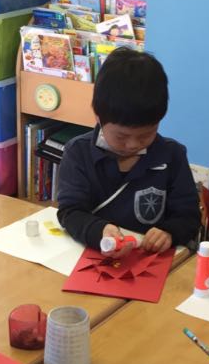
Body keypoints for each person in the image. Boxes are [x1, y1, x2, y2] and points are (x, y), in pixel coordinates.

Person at [56, 48, 200, 259]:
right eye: (121, 136)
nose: (132, 145)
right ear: (98, 116)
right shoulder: (78, 152)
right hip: (94, 255)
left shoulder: (172, 155)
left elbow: (189, 216)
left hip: (151, 260)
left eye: (146, 135)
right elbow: (70, 212)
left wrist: (169, 232)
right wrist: (99, 230)